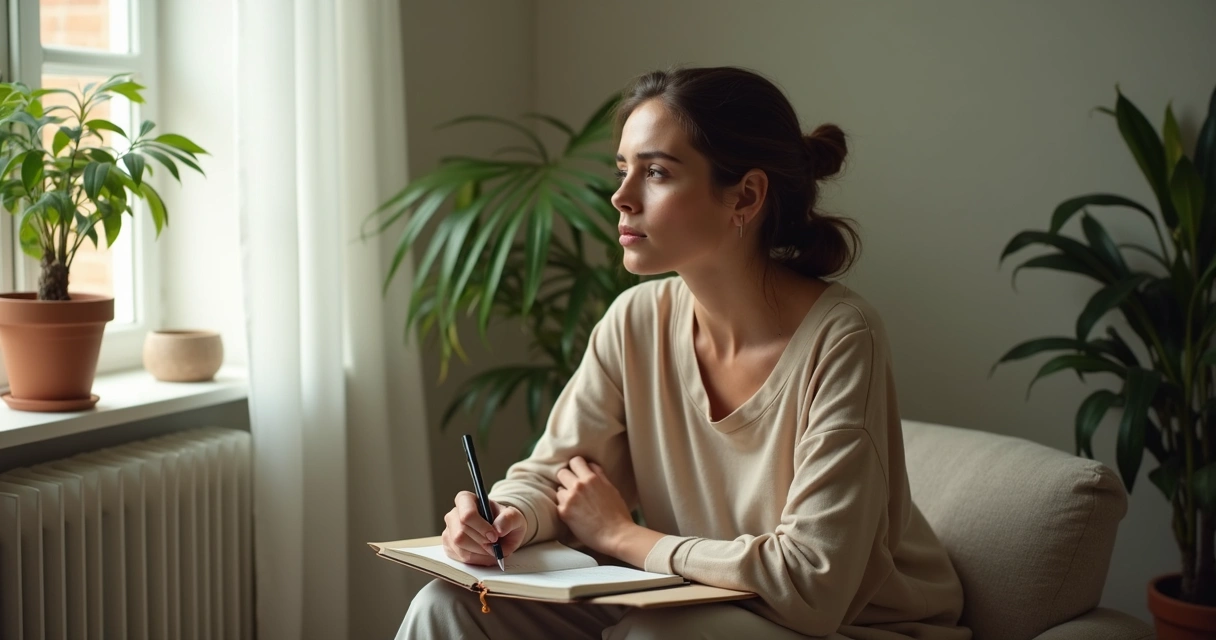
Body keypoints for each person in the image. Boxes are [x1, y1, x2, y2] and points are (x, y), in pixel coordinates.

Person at [396, 66, 970, 640]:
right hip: (689, 597)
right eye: (623, 170)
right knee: (445, 605)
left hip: (853, 626)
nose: (621, 197)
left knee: (657, 637)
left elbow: (810, 583)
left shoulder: (841, 337)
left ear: (745, 195)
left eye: (656, 172)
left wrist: (622, 536)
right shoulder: (636, 320)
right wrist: (506, 517)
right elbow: (557, 474)